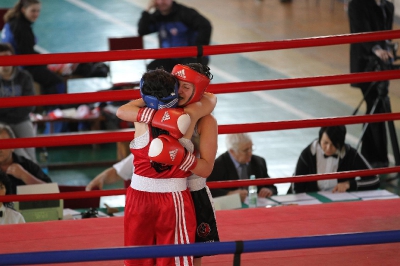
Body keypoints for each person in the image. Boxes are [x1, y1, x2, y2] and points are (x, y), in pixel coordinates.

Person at [116, 65, 218, 266]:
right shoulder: (150, 108)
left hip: (188, 191)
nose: (179, 91)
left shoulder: (198, 115)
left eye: (187, 87)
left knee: (184, 259)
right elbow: (124, 110)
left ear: (199, 90)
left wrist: (181, 158)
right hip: (149, 194)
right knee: (138, 259)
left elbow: (206, 168)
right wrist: (157, 117)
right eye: (178, 85)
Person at [348, 0, 395, 168]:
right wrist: (377, 49)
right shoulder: (357, 4)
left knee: (378, 107)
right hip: (365, 63)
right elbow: (360, 31)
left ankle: (375, 157)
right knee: (375, 106)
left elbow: (387, 35)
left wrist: (388, 49)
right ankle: (374, 157)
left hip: (382, 65)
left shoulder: (388, 6)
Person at [1, 0, 66, 96]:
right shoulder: (21, 27)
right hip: (20, 66)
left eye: (38, 11)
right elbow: (27, 54)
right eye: (33, 11)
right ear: (23, 10)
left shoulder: (13, 22)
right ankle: (55, 109)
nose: (36, 14)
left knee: (47, 73)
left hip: (12, 64)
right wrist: (46, 62)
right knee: (57, 81)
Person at [292, 125, 380, 193]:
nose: (328, 148)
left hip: (341, 204)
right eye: (325, 143)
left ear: (341, 143)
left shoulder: (350, 154)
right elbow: (296, 186)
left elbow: (374, 180)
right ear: (319, 139)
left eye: (334, 144)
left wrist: (349, 184)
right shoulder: (308, 153)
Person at [138, 0, 212, 72]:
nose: (161, 2)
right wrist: (147, 10)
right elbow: (142, 30)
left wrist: (198, 50)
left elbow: (205, 26)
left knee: (184, 73)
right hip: (170, 58)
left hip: (190, 57)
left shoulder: (185, 13)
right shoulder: (157, 16)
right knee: (152, 70)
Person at [207, 133, 278, 203]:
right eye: (246, 150)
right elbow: (208, 191)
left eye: (251, 148)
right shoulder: (217, 165)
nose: (250, 153)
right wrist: (229, 194)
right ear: (232, 151)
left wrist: (269, 190)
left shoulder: (259, 162)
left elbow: (272, 187)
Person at [0, 42, 37, 162]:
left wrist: (8, 112)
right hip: (1, 121)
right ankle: (27, 169)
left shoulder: (24, 77)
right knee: (14, 148)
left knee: (31, 153)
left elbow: (30, 104)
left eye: (7, 57)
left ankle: (34, 175)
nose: (5, 62)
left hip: (22, 119)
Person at [0, 123, 52, 194]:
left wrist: (25, 176)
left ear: (12, 146)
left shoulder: (27, 165)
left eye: (3, 144)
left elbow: (51, 191)